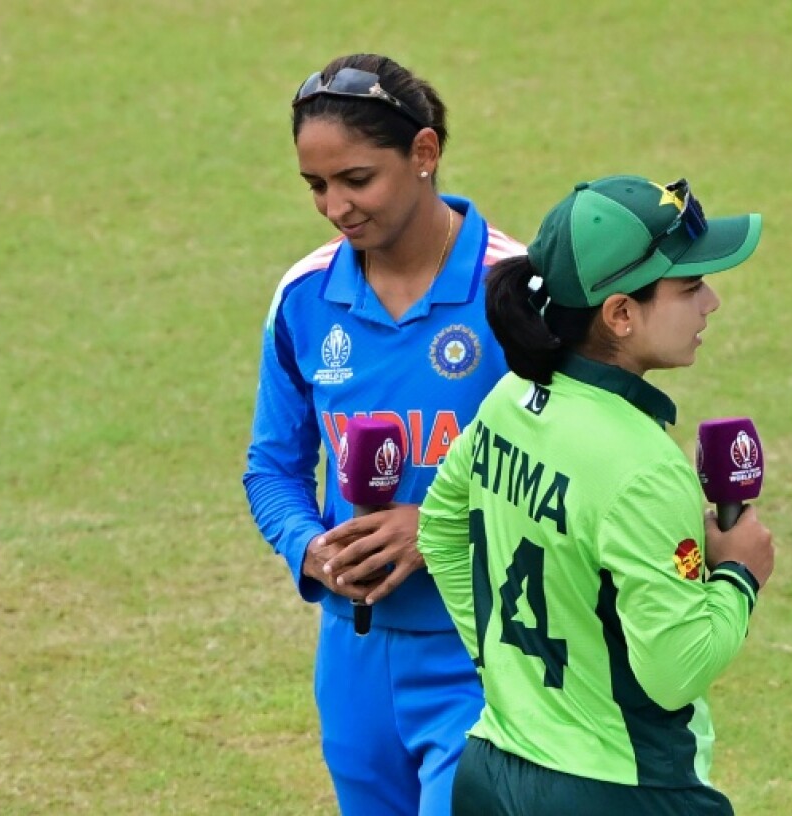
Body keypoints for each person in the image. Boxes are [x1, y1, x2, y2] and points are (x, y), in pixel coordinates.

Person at [418, 174, 776, 815]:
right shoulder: (644, 468)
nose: (712, 302)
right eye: (690, 287)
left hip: (492, 769)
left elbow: (440, 529)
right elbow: (675, 670)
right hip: (621, 790)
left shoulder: (508, 402)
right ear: (620, 313)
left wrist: (499, 665)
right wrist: (741, 574)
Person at [242, 53, 524, 816]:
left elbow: (569, 479)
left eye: (356, 180)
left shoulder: (515, 292)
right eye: (316, 186)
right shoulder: (304, 296)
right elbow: (271, 467)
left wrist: (436, 528)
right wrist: (311, 549)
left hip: (486, 653)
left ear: (424, 154)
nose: (336, 206)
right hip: (353, 657)